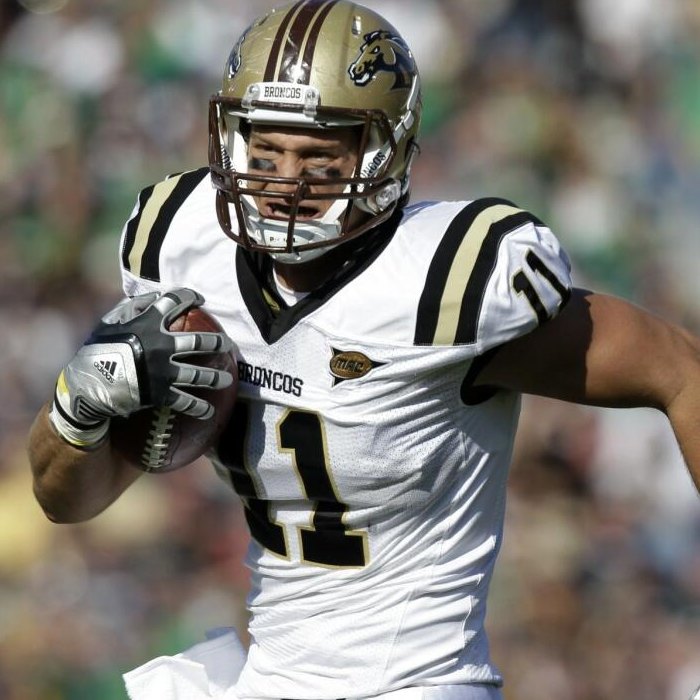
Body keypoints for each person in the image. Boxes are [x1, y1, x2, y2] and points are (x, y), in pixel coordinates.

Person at [27, 1, 700, 699]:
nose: (284, 183)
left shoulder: (442, 283)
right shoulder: (183, 249)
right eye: (265, 151)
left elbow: (679, 368)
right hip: (270, 678)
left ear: (384, 152)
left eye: (319, 156)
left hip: (419, 683)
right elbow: (64, 500)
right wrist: (76, 408)